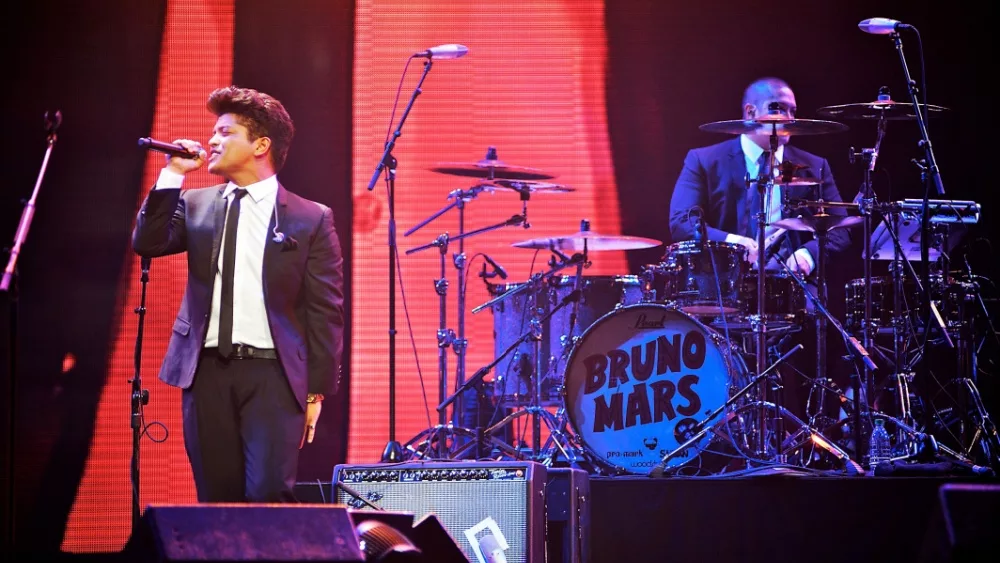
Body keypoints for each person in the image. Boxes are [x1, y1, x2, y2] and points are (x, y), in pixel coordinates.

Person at [133, 85, 345, 502]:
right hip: (206, 370)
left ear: (260, 144)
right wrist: (173, 174)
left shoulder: (310, 217)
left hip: (275, 376)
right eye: (214, 132)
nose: (212, 140)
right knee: (216, 501)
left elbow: (325, 310)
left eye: (225, 132)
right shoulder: (195, 203)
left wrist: (316, 390)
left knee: (269, 495)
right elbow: (148, 242)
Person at [668, 76, 851, 425]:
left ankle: (810, 429)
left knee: (828, 333)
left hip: (792, 290)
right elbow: (680, 223)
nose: (790, 119)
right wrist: (735, 244)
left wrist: (807, 255)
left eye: (794, 111)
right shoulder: (705, 161)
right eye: (778, 109)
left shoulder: (814, 165)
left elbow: (841, 230)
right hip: (725, 290)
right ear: (750, 112)